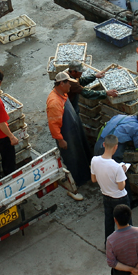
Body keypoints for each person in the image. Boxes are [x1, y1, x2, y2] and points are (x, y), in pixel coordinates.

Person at [47, 71, 90, 201]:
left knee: (80, 154)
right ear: (61, 84)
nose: (70, 87)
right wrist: (61, 140)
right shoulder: (54, 102)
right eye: (68, 84)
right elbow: (53, 124)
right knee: (72, 159)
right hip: (66, 136)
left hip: (73, 131)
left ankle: (84, 177)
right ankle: (73, 187)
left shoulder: (62, 93)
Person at [91, 134, 133, 242]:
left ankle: (108, 244)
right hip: (120, 198)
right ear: (116, 147)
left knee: (109, 221)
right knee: (126, 223)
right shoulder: (117, 167)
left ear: (104, 144)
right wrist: (123, 172)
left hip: (106, 196)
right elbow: (121, 187)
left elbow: (94, 179)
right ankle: (129, 244)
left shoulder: (94, 160)